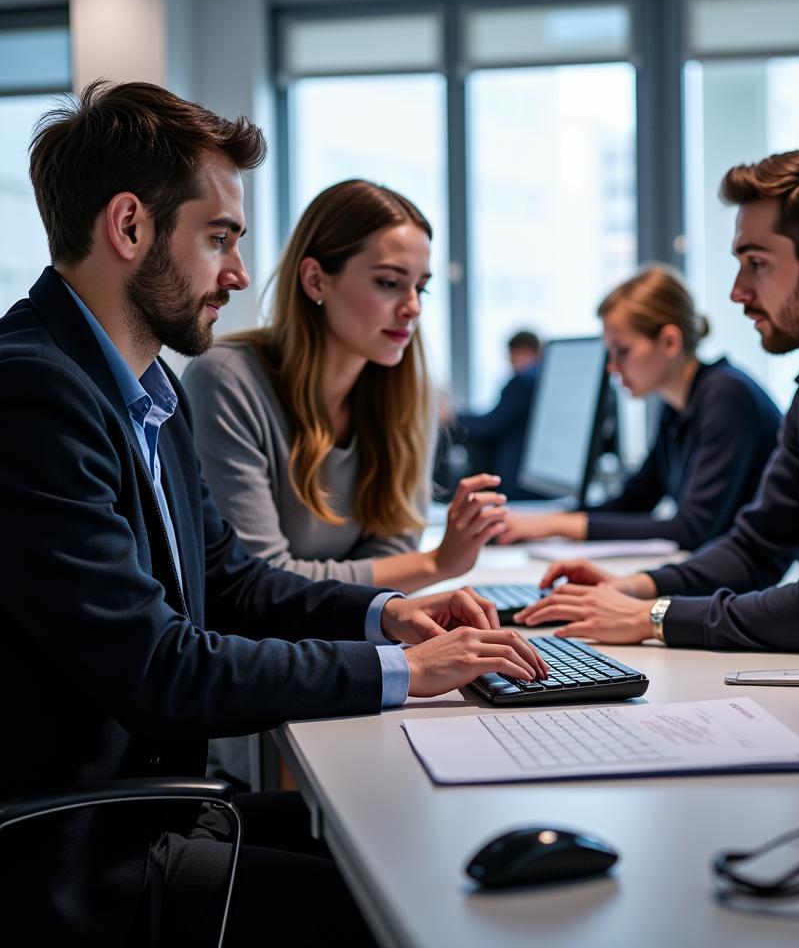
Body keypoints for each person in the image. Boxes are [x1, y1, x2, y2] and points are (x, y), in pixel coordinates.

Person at [0, 80, 545, 946]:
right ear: (130, 226)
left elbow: (232, 579)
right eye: (219, 238)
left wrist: (390, 616)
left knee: (428, 847)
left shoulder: (146, 391)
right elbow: (161, 669)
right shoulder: (33, 392)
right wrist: (406, 674)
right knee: (406, 914)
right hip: (81, 859)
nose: (240, 273)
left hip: (150, 818)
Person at [516, 145, 799, 655]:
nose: (737, 292)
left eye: (756, 264)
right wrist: (635, 588)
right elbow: (753, 548)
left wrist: (654, 618)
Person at [183, 180, 507, 596]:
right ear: (316, 280)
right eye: (389, 283)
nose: (413, 307)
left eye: (420, 286)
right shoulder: (226, 380)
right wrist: (435, 564)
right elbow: (258, 582)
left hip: (351, 633)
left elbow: (393, 548)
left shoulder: (409, 394)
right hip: (263, 648)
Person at [497, 267, 781, 548]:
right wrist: (544, 523)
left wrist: (555, 525)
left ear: (670, 341)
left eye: (623, 351)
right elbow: (637, 499)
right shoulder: (676, 406)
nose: (612, 367)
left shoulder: (727, 396)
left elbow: (693, 528)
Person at [450, 329, 543, 500]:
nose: (511, 362)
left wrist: (453, 417)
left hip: (518, 477)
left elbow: (489, 424)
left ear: (524, 351)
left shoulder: (523, 381)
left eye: (513, 356)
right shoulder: (545, 376)